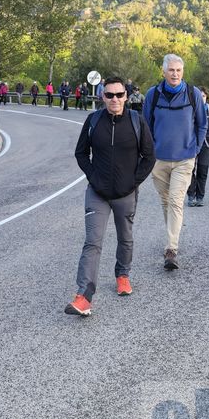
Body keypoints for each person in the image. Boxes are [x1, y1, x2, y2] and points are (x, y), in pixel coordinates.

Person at [65, 76, 156, 317]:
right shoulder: (93, 120)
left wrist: (133, 182)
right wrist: (94, 177)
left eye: (119, 94)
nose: (114, 99)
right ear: (102, 97)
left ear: (126, 96)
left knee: (125, 237)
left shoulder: (137, 121)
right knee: (92, 242)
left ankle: (123, 274)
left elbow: (149, 156)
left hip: (126, 193)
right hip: (98, 193)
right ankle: (84, 296)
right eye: (109, 95)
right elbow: (81, 153)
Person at [143, 54, 208, 270]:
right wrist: (149, 151)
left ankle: (171, 248)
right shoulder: (153, 95)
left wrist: (195, 150)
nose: (175, 74)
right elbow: (145, 126)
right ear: (163, 72)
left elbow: (202, 124)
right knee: (165, 201)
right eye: (171, 70)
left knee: (175, 201)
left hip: (184, 159)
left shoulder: (193, 93)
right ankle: (172, 235)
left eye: (178, 70)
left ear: (183, 72)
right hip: (159, 159)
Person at [187, 88, 209, 207]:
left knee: (202, 171)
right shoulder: (189, 109)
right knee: (189, 170)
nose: (201, 98)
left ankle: (200, 197)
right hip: (191, 144)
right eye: (199, 96)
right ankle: (191, 195)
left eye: (203, 96)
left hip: (206, 144)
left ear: (207, 97)